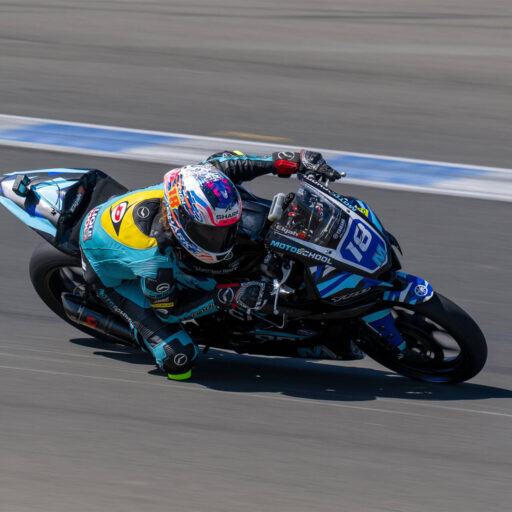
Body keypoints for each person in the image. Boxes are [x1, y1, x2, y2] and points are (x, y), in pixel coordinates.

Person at [80, 149, 338, 380]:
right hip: (106, 272)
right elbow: (172, 310)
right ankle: (138, 331)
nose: (225, 238)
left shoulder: (198, 183)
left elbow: (230, 163)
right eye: (211, 233)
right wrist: (230, 295)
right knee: (179, 359)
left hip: (125, 223)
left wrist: (295, 160)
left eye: (227, 228)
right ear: (183, 223)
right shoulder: (153, 260)